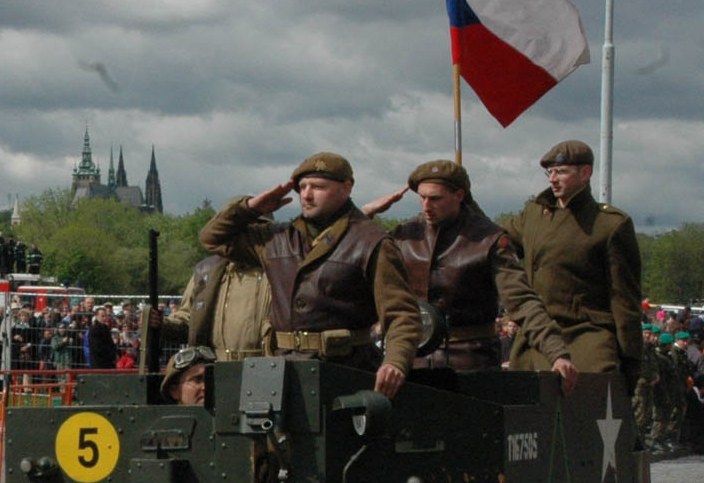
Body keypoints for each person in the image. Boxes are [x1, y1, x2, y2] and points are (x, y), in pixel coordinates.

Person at [199, 151, 420, 399]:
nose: (306, 194)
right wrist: (251, 208)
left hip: (346, 370)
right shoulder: (277, 238)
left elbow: (402, 313)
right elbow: (212, 238)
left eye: (318, 187)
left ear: (346, 188)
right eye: (302, 187)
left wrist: (395, 363)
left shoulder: (370, 241)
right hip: (280, 371)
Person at [363, 159, 577, 390]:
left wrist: (556, 353)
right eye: (422, 197)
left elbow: (523, 301)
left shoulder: (489, 240)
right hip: (410, 363)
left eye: (435, 198)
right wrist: (364, 215)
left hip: (472, 364)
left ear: (459, 195)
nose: (426, 206)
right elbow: (353, 259)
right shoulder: (403, 236)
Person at [501, 140, 642, 392]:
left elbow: (624, 298)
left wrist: (631, 359)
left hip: (585, 337)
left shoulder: (609, 225)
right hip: (534, 338)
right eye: (550, 173)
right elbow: (494, 241)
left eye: (562, 172)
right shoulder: (534, 215)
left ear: (585, 173)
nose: (553, 179)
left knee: (589, 413)